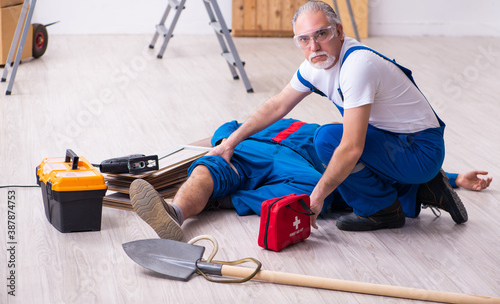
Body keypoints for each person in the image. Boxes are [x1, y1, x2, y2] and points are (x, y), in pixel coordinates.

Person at [205, 0, 471, 231]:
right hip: (398, 141)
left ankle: (382, 211)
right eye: (304, 39)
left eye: (322, 33)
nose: (314, 45)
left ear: (339, 32)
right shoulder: (316, 64)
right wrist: (230, 143)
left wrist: (317, 197)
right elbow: (277, 106)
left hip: (420, 151)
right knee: (331, 137)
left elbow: (353, 147)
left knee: (329, 140)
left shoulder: (357, 65)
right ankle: (425, 189)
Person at [129, 118, 492, 241]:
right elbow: (209, 146)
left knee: (331, 186)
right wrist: (453, 175)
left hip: (299, 168)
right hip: (275, 159)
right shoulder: (252, 133)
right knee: (211, 168)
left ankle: (180, 211)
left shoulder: (257, 128)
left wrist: (453, 175)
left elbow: (211, 145)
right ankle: (176, 212)